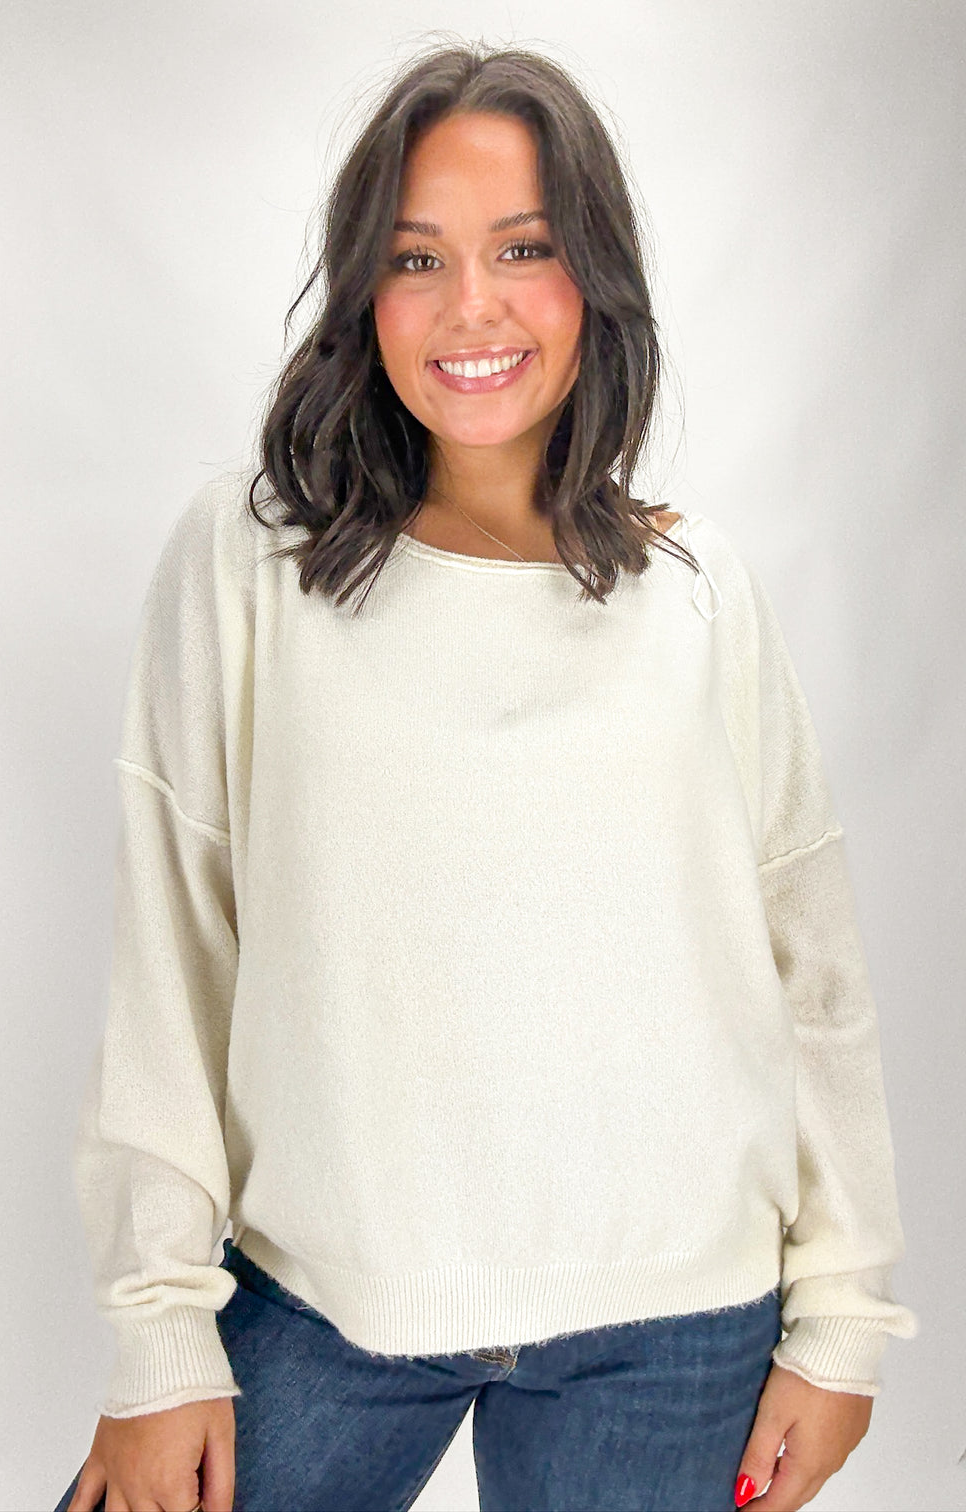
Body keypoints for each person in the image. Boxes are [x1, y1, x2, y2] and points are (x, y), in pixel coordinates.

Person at [52, 39, 917, 1512]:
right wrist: (161, 1338)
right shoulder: (253, 564)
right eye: (417, 259)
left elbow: (809, 964)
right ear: (363, 295)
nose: (473, 307)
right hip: (323, 1299)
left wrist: (843, 1318)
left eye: (524, 248)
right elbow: (174, 958)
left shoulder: (697, 589)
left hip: (674, 1323)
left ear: (596, 277)